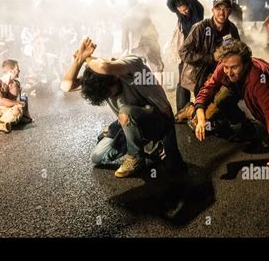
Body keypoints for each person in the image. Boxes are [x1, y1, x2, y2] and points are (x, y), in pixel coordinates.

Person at [60, 37, 187, 178]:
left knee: (174, 169)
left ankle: (136, 157)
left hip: (158, 120)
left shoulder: (131, 64)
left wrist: (86, 58)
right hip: (129, 124)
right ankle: (149, 148)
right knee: (96, 156)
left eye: (110, 91)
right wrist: (78, 61)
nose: (110, 96)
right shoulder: (99, 83)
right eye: (106, 95)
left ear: (113, 77)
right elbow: (66, 86)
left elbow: (104, 67)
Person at [193, 40, 269, 172]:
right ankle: (247, 126)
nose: (229, 72)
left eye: (234, 67)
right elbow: (208, 88)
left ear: (245, 64)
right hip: (240, 84)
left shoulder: (258, 78)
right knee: (222, 100)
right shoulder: (224, 66)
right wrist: (201, 116)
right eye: (226, 67)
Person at [166, 0, 204, 113]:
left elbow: (192, 0)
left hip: (200, 51)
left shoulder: (197, 10)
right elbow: (170, 4)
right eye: (181, 11)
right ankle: (182, 110)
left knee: (200, 81)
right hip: (186, 52)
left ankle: (201, 109)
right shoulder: (180, 14)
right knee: (183, 80)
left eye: (185, 9)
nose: (184, 12)